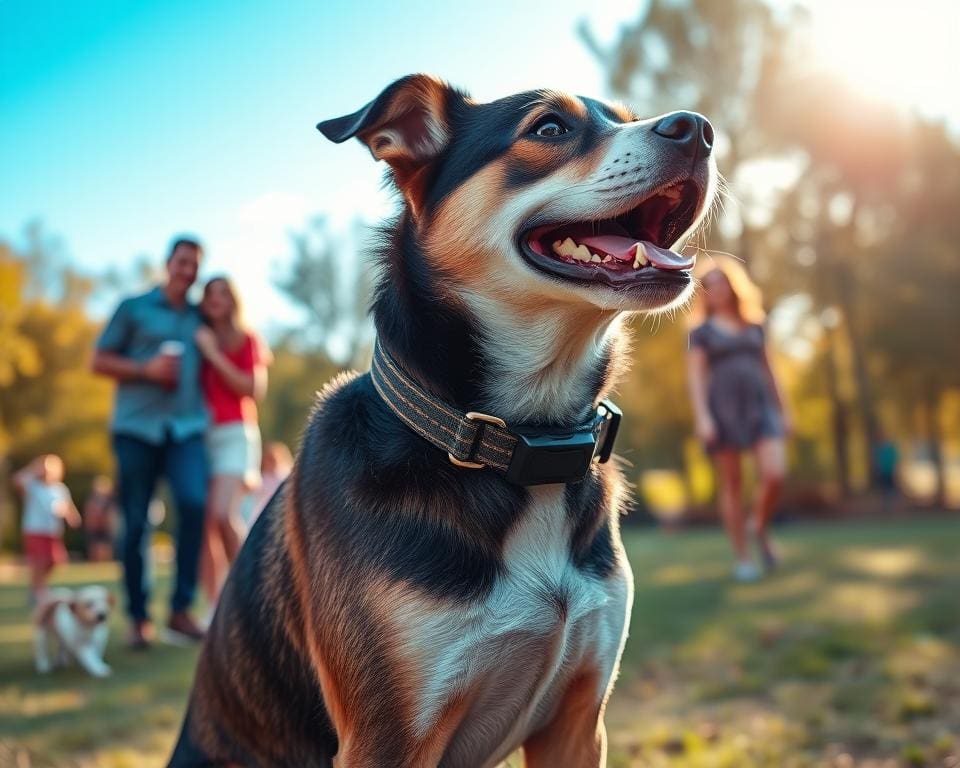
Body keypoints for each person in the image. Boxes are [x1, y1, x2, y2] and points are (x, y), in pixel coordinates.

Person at [92, 237, 209, 648]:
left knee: (195, 504)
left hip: (186, 429)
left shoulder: (200, 317)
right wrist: (145, 369)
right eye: (182, 262)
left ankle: (180, 610)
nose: (187, 271)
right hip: (136, 429)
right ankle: (139, 618)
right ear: (168, 264)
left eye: (194, 265)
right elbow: (98, 360)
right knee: (136, 522)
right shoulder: (133, 308)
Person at [686, 260, 791, 582]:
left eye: (721, 282)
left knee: (774, 474)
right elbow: (695, 378)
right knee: (732, 484)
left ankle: (757, 524)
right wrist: (704, 417)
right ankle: (744, 558)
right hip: (724, 412)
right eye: (709, 285)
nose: (716, 289)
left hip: (761, 408)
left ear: (732, 285)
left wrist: (784, 408)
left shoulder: (755, 325)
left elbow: (769, 369)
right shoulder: (700, 333)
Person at [196, 276, 272, 606]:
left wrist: (213, 355)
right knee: (205, 527)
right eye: (210, 293)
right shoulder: (196, 337)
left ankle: (252, 594)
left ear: (233, 300)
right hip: (201, 437)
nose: (215, 299)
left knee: (224, 514)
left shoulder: (247, 339)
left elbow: (253, 389)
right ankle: (216, 610)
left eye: (223, 293)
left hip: (235, 435)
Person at [13, 454, 81, 604]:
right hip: (35, 530)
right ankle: (38, 591)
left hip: (53, 531)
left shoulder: (60, 488)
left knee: (56, 560)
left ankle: (37, 587)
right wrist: (33, 468)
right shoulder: (33, 486)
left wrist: (72, 517)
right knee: (39, 562)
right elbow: (18, 480)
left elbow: (68, 506)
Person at [249, 441, 293, 527]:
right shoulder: (265, 477)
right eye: (267, 460)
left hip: (279, 511)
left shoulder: (282, 475)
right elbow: (256, 489)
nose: (268, 463)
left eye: (271, 460)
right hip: (264, 512)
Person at [83, 475, 116, 563]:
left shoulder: (109, 502)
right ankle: (95, 564)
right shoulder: (92, 501)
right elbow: (88, 514)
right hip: (95, 528)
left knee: (106, 548)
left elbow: (111, 515)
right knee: (95, 547)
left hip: (105, 528)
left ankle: (105, 563)